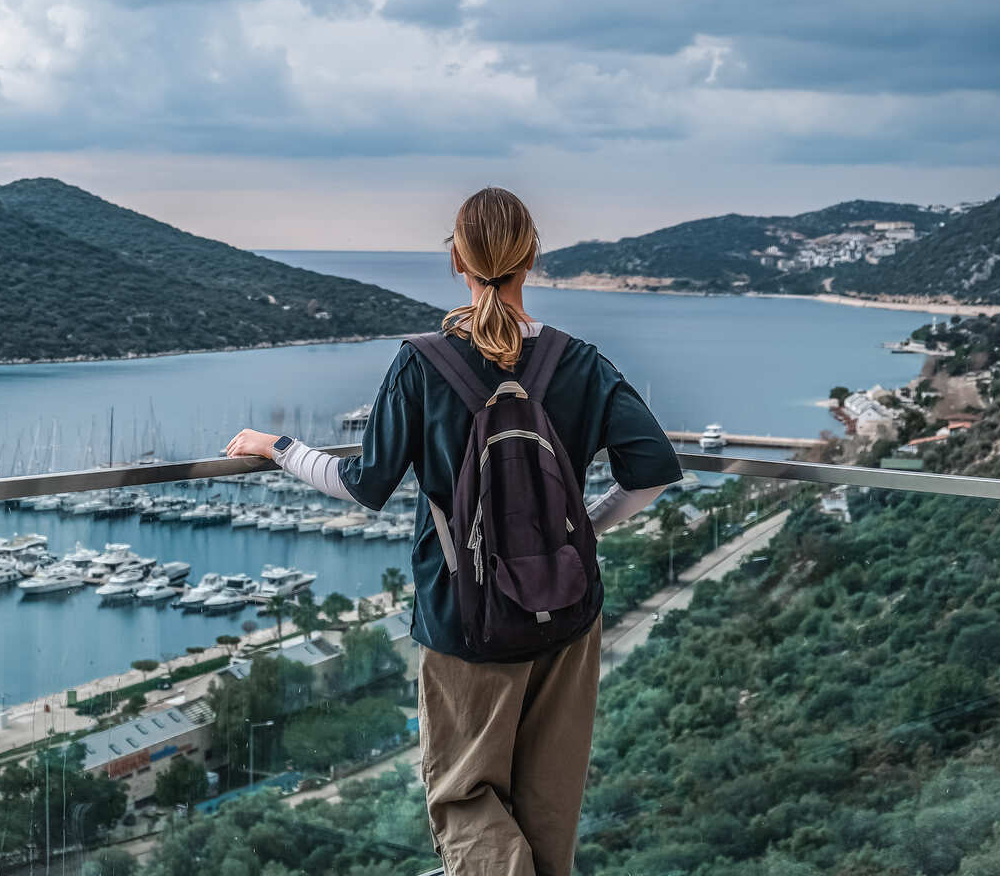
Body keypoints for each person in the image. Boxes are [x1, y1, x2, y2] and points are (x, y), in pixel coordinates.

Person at [225, 187, 680, 875]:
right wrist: (579, 534)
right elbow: (651, 470)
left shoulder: (424, 362)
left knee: (467, 797)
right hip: (568, 610)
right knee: (550, 803)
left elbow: (362, 485)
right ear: (532, 256)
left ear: (457, 261)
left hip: (465, 616)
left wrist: (277, 446)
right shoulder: (578, 360)